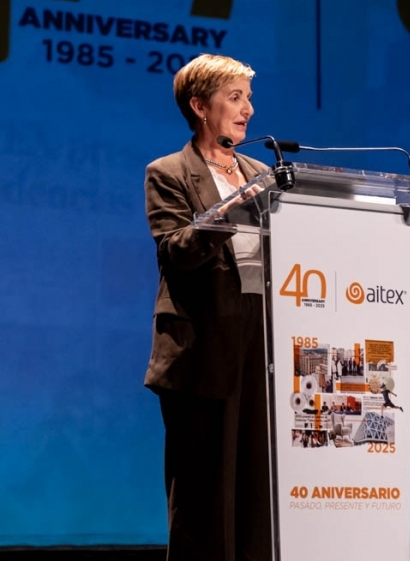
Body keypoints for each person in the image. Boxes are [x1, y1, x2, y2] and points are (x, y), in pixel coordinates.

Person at [143, 54, 272, 561]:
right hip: (200, 348)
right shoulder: (169, 172)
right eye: (235, 98)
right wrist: (234, 207)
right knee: (201, 495)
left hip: (259, 344)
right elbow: (175, 251)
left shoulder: (262, 172)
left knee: (255, 491)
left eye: (248, 97)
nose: (248, 110)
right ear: (200, 106)